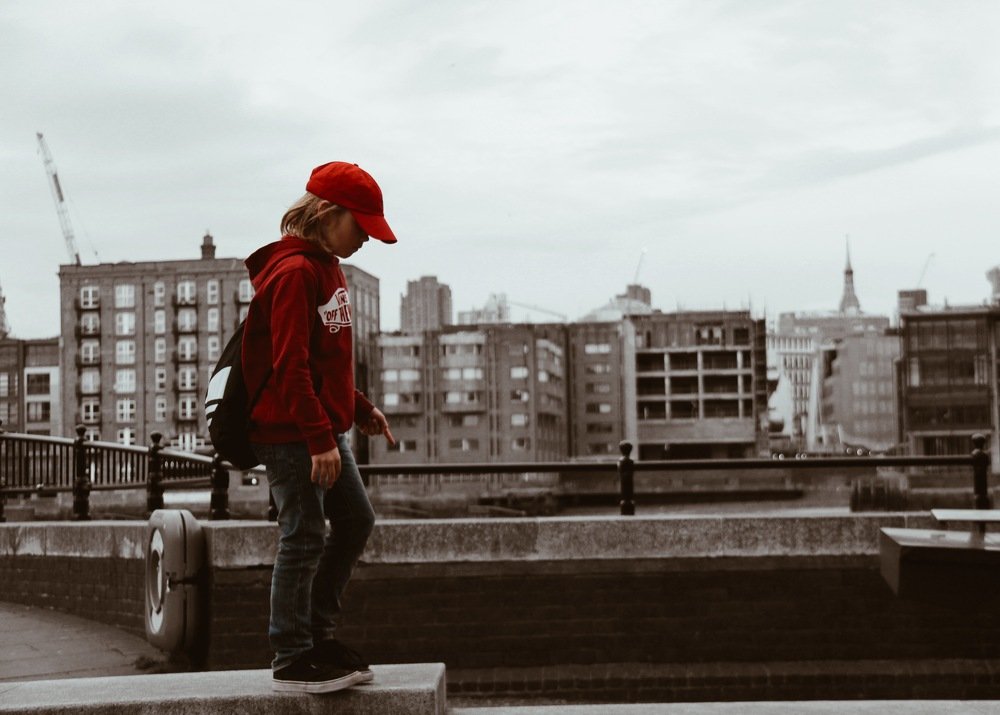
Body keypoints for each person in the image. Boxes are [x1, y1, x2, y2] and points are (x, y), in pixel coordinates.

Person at [242, 161, 397, 694]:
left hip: (321, 428)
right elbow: (290, 365)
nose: (366, 241)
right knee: (304, 535)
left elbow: (325, 359)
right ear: (329, 214)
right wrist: (317, 439)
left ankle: (316, 637)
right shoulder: (294, 273)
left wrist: (357, 407)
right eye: (362, 228)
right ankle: (291, 654)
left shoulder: (328, 266)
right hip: (290, 434)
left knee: (355, 521)